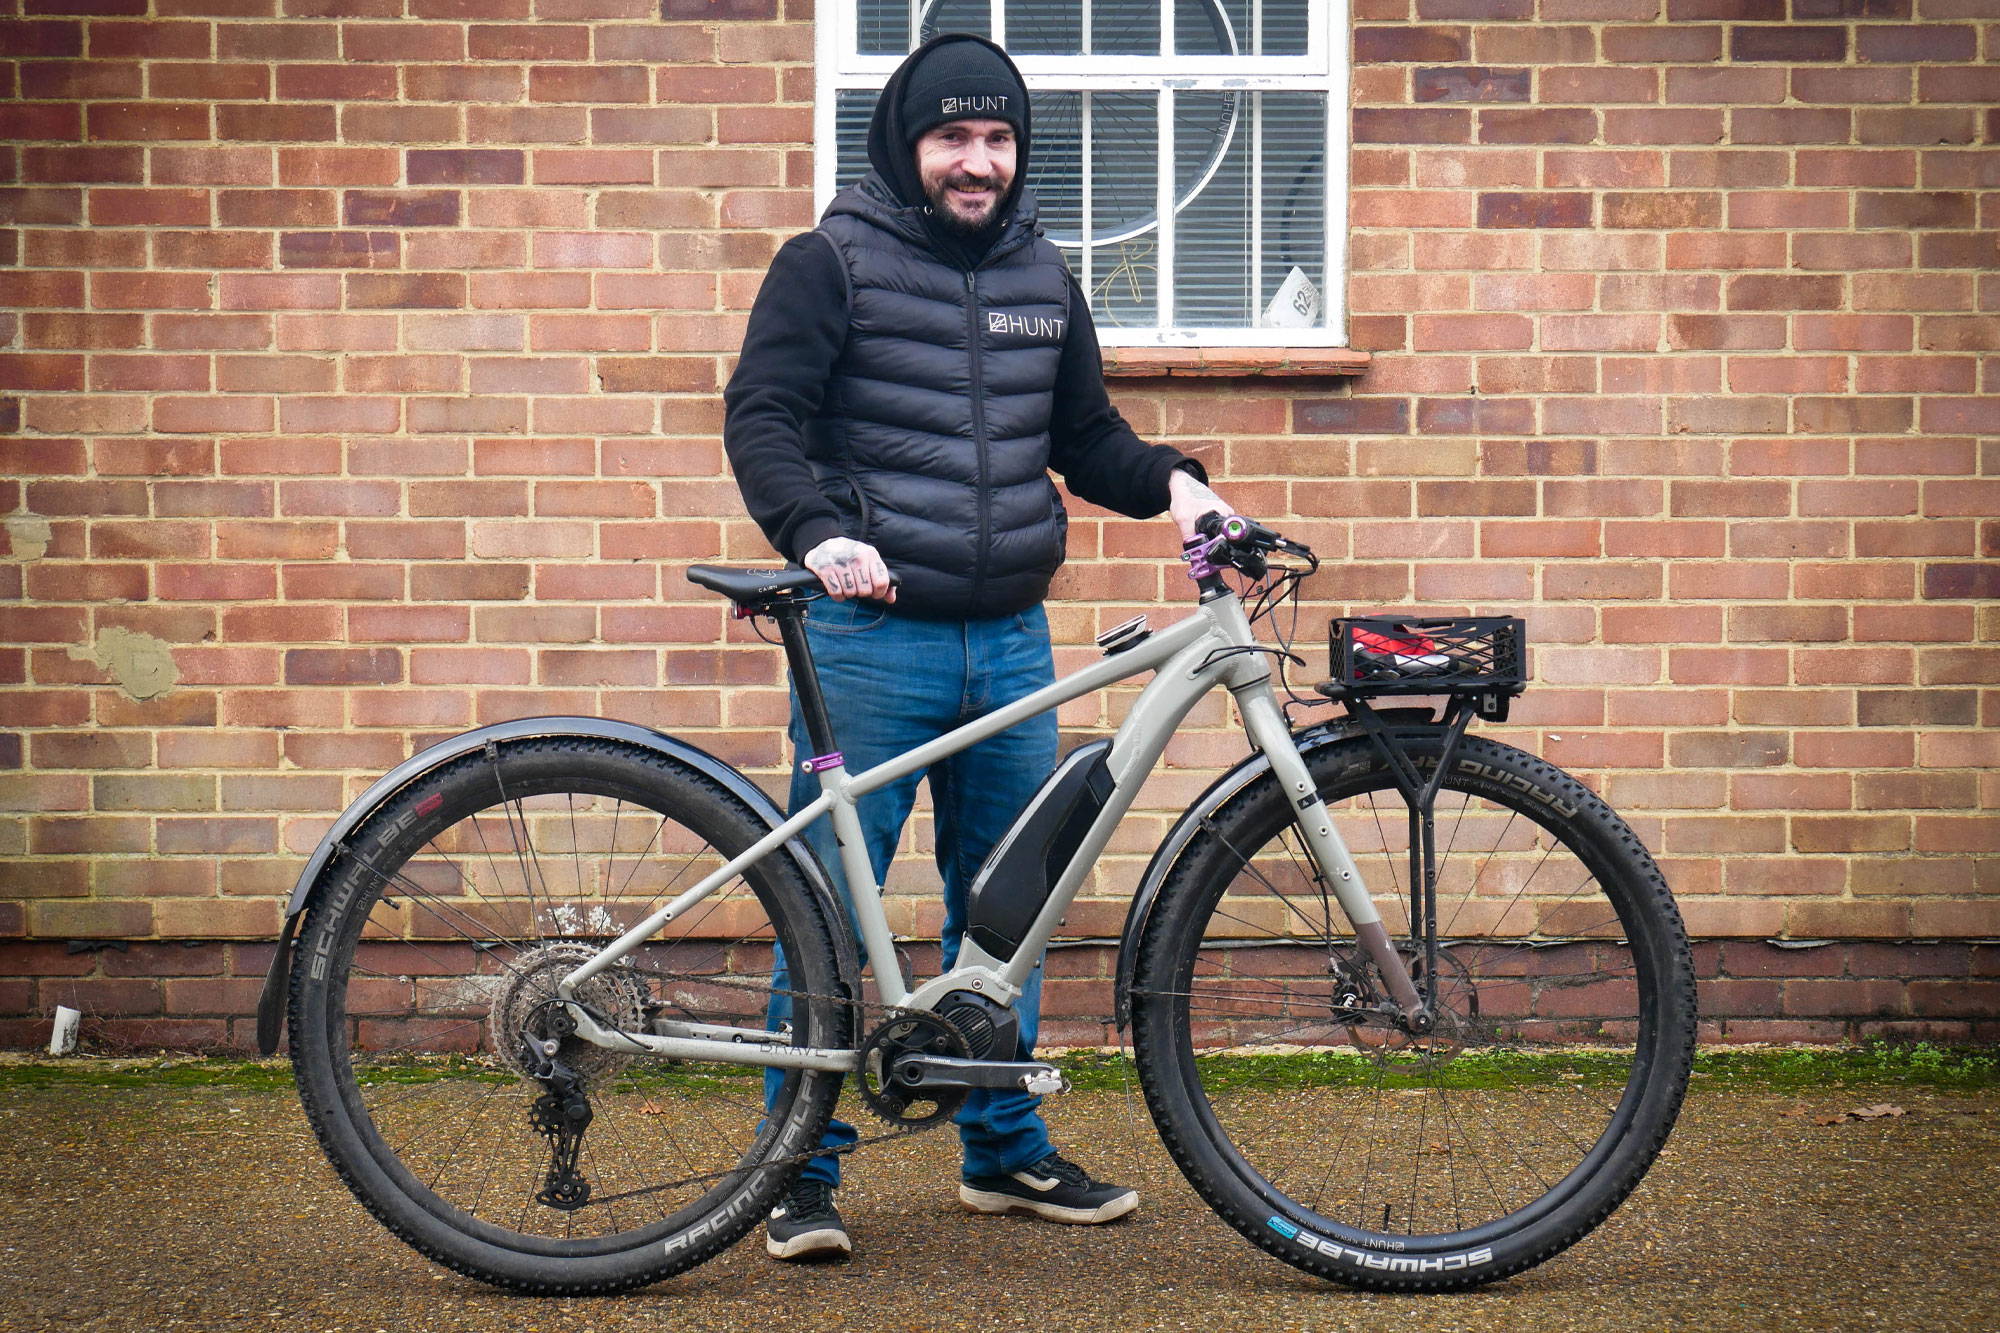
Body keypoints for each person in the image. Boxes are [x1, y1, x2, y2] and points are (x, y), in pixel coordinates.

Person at [721, 32, 1235, 1262]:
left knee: (1009, 915)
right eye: (953, 137)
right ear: (907, 145)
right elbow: (764, 415)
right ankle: (795, 1172)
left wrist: (1177, 486)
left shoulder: (1040, 274)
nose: (977, 160)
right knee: (834, 920)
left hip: (1009, 644)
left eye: (998, 138)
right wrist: (816, 532)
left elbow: (1086, 435)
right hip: (869, 642)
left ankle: (1002, 1154)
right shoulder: (827, 262)